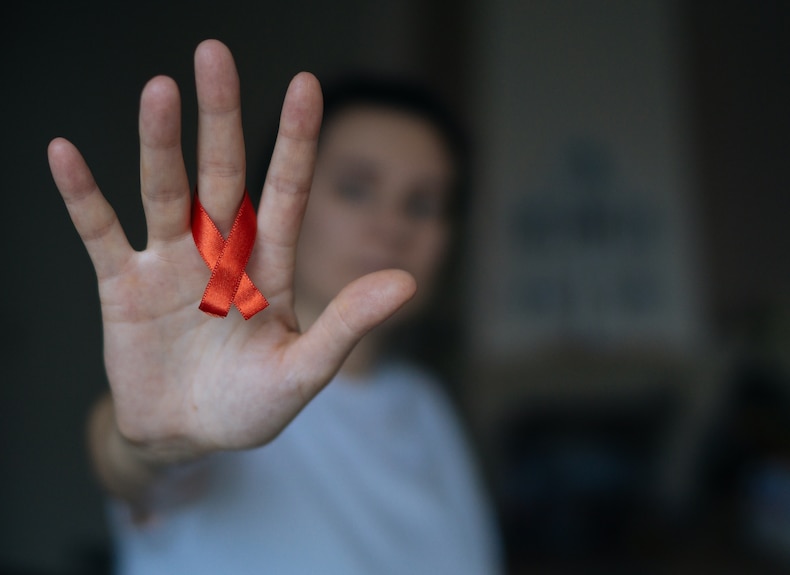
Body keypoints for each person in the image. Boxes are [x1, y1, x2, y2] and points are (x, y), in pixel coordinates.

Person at [48, 39, 502, 574]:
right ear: (283, 201)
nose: (392, 225)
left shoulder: (426, 403)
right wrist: (159, 442)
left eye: (423, 203)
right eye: (356, 189)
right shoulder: (219, 379)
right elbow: (130, 457)